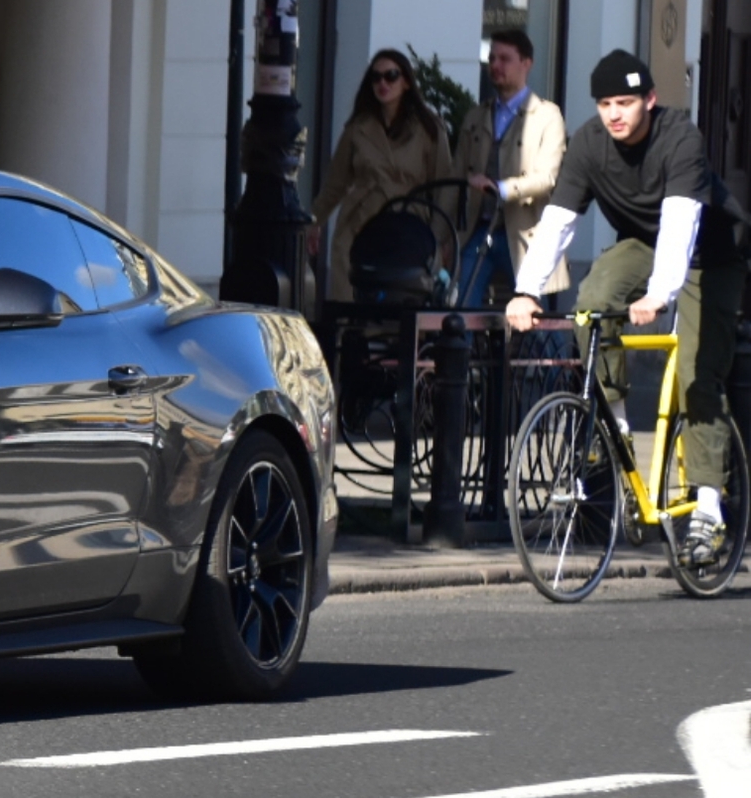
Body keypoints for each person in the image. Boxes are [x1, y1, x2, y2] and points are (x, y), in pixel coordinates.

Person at [506, 51, 746, 560]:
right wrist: (526, 289)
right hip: (642, 240)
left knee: (697, 375)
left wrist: (661, 292)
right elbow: (558, 221)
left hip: (711, 254)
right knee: (592, 300)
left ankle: (707, 509)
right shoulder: (591, 144)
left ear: (650, 102)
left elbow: (681, 224)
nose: (614, 114)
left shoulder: (679, 138)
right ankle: (612, 426)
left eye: (626, 103)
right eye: (606, 104)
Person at [311, 48, 452, 303]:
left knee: (403, 295)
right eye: (376, 78)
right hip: (361, 217)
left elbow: (443, 187)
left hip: (408, 220)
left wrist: (440, 236)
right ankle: (350, 335)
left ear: (406, 82)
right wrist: (314, 220)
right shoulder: (358, 128)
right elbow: (336, 183)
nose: (383, 83)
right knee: (349, 292)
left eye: (391, 76)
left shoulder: (430, 128)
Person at [455, 28, 567, 306]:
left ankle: (557, 353)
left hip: (526, 232)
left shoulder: (547, 116)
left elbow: (548, 177)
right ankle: (463, 352)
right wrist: (443, 237)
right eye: (492, 58)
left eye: (504, 59)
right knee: (460, 313)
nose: (495, 65)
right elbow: (455, 177)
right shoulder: (476, 115)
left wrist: (501, 188)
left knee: (537, 320)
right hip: (479, 230)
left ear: (526, 63)